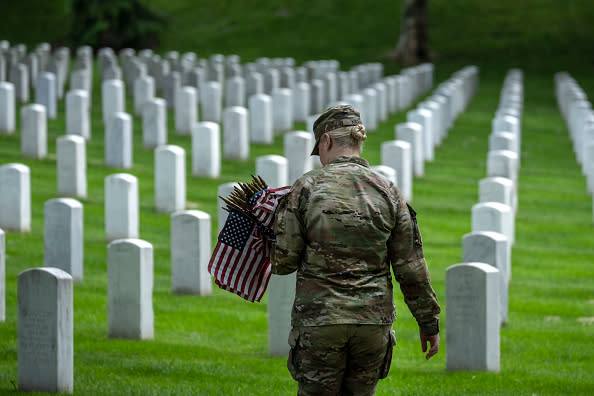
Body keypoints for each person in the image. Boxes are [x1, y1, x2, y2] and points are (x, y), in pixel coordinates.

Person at [270, 104, 441, 396]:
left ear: (326, 141)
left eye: (319, 149)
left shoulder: (306, 188)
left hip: (320, 320)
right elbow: (411, 267)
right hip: (372, 323)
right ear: (358, 141)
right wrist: (428, 323)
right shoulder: (388, 191)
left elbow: (284, 261)